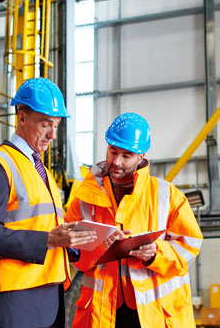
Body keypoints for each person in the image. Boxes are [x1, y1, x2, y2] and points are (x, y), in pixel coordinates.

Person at [0, 77, 98, 328]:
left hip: (49, 298)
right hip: (14, 299)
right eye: (45, 124)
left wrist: (75, 241)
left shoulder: (42, 171)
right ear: (22, 118)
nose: (52, 134)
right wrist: (49, 239)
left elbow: (45, 226)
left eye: (56, 125)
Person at [65, 112, 203, 327]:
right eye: (113, 151)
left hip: (156, 314)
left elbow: (190, 247)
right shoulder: (84, 199)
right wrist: (98, 247)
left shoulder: (167, 196)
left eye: (127, 155)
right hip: (103, 312)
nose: (116, 161)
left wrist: (158, 253)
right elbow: (71, 254)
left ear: (141, 156)